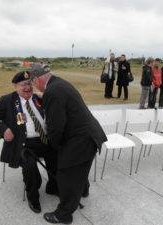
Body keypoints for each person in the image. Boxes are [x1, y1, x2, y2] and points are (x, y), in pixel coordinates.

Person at [30, 64, 107, 224]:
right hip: (91, 134)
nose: (32, 85)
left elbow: (56, 127)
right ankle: (83, 191)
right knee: (81, 167)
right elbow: (61, 102)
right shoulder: (59, 84)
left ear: (36, 79)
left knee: (65, 173)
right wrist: (44, 97)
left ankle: (63, 214)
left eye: (32, 82)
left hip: (81, 139)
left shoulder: (51, 92)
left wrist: (55, 146)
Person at [0, 71, 58, 214]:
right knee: (30, 167)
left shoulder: (38, 98)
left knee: (56, 156)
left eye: (29, 83)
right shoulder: (8, 100)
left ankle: (53, 187)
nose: (27, 87)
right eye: (23, 84)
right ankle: (33, 198)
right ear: (15, 86)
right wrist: (4, 130)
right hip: (23, 144)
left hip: (43, 139)